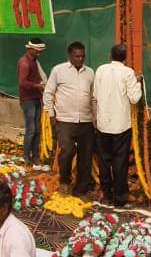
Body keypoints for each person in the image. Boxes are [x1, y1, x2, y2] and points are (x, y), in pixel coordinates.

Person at [93, 43, 142, 207]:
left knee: (104, 160)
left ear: (110, 55)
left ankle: (106, 194)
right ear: (125, 58)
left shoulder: (100, 70)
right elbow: (135, 98)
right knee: (119, 161)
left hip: (102, 124)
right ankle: (120, 198)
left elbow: (95, 94)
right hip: (121, 125)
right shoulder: (128, 73)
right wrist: (138, 82)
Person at [44, 41, 95, 196]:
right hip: (65, 120)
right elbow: (48, 93)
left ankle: (81, 188)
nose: (80, 59)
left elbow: (94, 97)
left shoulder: (90, 72)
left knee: (85, 155)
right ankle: (64, 181)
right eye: (77, 56)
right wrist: (51, 114)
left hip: (86, 120)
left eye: (82, 56)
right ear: (70, 56)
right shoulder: (58, 70)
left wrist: (95, 119)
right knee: (67, 151)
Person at [17, 38, 46, 166]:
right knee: (31, 129)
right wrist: (37, 86)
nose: (39, 54)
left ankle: (35, 156)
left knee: (37, 129)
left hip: (36, 98)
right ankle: (26, 156)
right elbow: (22, 83)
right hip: (28, 100)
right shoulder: (25, 63)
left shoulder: (34, 61)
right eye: (37, 51)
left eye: (41, 51)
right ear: (30, 49)